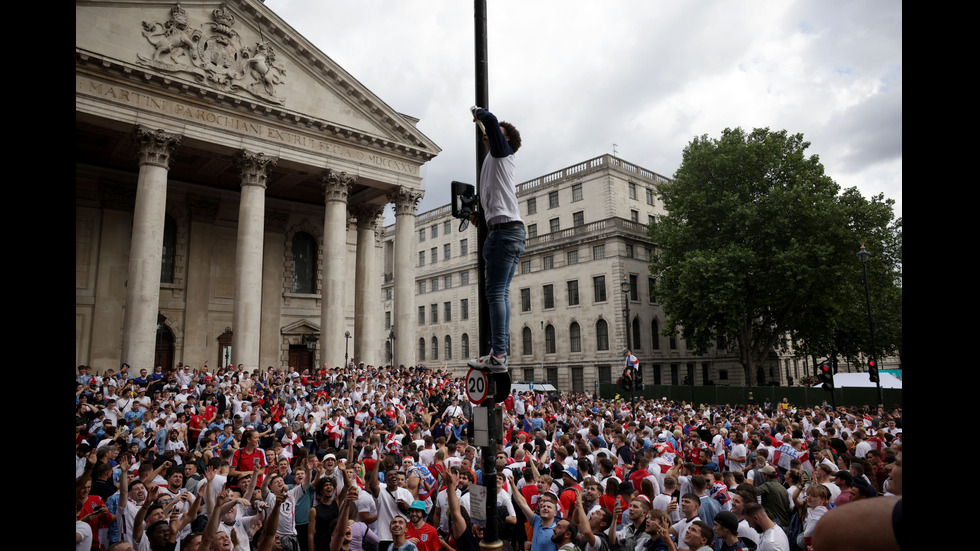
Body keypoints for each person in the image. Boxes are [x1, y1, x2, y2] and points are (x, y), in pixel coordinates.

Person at [466, 106, 525, 373]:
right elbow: (494, 199)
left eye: (496, 133)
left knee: (496, 293)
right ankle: (498, 352)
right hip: (500, 230)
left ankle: (499, 353)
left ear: (506, 139)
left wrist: (478, 111)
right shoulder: (491, 161)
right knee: (498, 293)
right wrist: (482, 217)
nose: (488, 135)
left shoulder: (503, 153)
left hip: (505, 232)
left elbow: (489, 120)